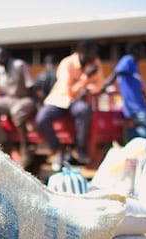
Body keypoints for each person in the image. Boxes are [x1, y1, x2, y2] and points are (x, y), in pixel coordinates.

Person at [35, 39, 105, 171]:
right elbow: (69, 90)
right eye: (91, 55)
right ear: (82, 53)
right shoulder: (67, 63)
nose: (94, 58)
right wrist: (85, 78)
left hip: (77, 102)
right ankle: (57, 148)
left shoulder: (95, 62)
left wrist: (89, 89)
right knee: (41, 118)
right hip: (60, 99)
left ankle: (79, 148)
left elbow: (99, 84)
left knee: (84, 110)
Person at [0, 46, 37, 168]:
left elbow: (31, 86)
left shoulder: (19, 65)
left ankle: (25, 148)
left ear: (8, 55)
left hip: (24, 98)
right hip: (8, 99)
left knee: (17, 111)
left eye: (0, 56)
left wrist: (38, 105)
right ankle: (3, 144)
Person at [103, 40, 146, 148]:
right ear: (136, 51)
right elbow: (117, 72)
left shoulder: (135, 67)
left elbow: (139, 87)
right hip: (135, 110)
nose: (144, 53)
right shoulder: (127, 60)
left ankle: (137, 136)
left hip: (142, 108)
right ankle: (135, 135)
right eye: (142, 50)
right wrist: (104, 85)